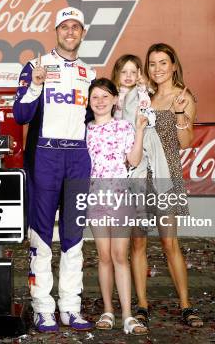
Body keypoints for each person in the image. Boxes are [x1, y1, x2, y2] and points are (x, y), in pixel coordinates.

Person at [13, 7, 96, 332]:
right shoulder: (37, 65)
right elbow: (20, 114)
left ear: (82, 32)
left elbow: (97, 118)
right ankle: (43, 308)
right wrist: (34, 85)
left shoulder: (91, 73)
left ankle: (70, 308)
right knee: (42, 237)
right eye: (65, 26)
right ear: (56, 31)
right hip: (44, 159)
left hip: (77, 159)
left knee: (75, 239)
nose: (70, 31)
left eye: (76, 26)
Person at [130, 43, 203, 328]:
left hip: (166, 176)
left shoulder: (182, 97)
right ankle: (142, 306)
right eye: (152, 63)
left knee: (169, 242)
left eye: (163, 63)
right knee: (137, 242)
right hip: (138, 175)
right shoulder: (144, 97)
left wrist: (181, 115)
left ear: (173, 65)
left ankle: (186, 305)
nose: (157, 68)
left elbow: (185, 144)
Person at [85, 78, 149, 335]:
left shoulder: (123, 128)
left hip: (121, 200)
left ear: (114, 99)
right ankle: (108, 311)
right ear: (88, 102)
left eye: (104, 96)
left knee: (120, 256)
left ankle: (127, 315)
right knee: (103, 257)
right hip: (95, 201)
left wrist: (140, 130)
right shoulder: (83, 130)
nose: (99, 101)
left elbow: (133, 160)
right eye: (94, 97)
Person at [111, 54, 171, 190]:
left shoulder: (140, 93)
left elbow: (145, 107)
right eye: (124, 72)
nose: (128, 76)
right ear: (117, 73)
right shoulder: (111, 92)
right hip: (117, 144)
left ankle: (140, 209)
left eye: (133, 72)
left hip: (137, 142)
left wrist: (142, 88)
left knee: (138, 179)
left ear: (139, 74)